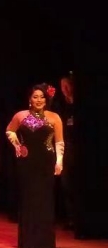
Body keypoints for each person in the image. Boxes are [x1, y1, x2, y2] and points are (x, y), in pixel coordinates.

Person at [6, 83, 64, 248]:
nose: (38, 100)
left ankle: (44, 242)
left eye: (42, 97)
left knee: (45, 200)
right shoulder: (21, 115)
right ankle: (28, 241)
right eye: (35, 97)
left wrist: (59, 162)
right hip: (27, 162)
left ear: (46, 99)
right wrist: (17, 145)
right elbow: (10, 131)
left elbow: (59, 142)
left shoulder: (54, 117)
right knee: (28, 199)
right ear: (30, 99)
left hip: (46, 162)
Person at [55, 73, 76, 229]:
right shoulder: (60, 107)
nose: (65, 89)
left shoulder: (79, 106)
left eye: (67, 85)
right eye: (62, 87)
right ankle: (70, 218)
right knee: (66, 184)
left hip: (77, 149)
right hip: (65, 149)